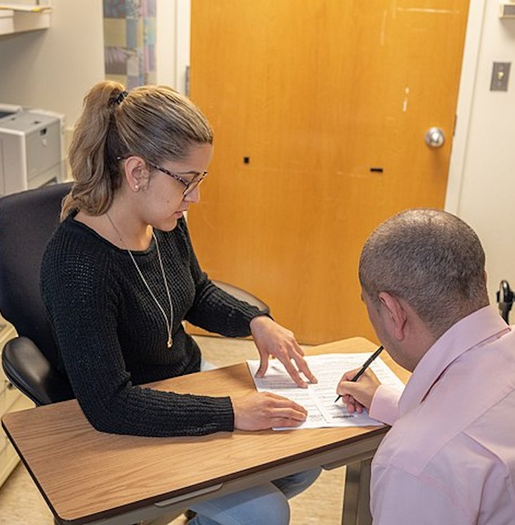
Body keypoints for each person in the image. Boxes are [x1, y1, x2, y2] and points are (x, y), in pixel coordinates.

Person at [40, 81, 320, 525]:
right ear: (137, 173)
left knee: (304, 459)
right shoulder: (77, 265)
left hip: (187, 385)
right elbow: (110, 404)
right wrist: (229, 413)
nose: (195, 198)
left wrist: (256, 322)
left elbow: (197, 293)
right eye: (187, 182)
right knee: (266, 513)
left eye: (199, 180)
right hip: (133, 417)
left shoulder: (164, 222)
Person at [336, 208, 515, 524]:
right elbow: (493, 422)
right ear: (483, 280)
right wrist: (386, 401)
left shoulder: (414, 463)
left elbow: (455, 441)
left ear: (394, 313)